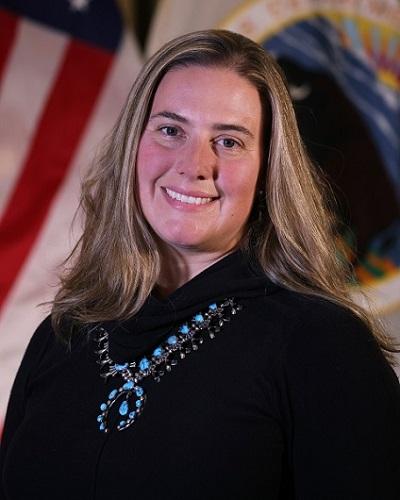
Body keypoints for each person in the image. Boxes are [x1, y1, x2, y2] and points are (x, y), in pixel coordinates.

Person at [1, 29, 399, 500]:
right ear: (133, 147)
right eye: (171, 130)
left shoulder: (323, 346)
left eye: (229, 142)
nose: (195, 165)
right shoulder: (63, 333)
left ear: (267, 171)